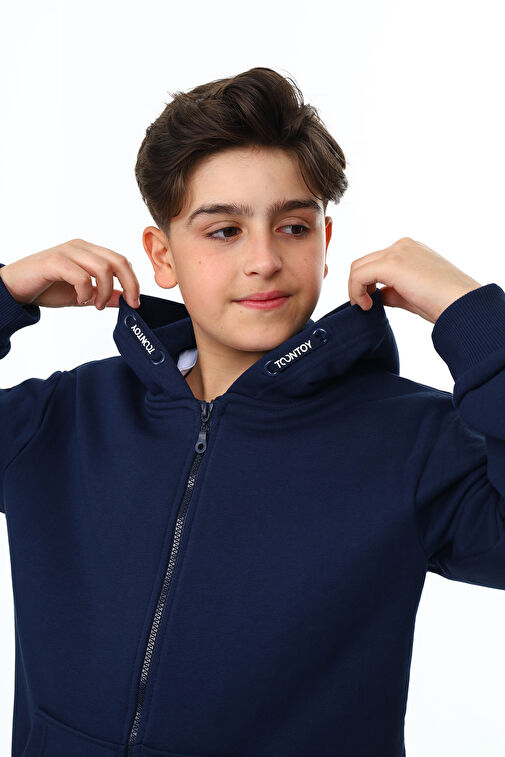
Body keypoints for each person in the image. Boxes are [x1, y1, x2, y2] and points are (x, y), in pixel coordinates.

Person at [0, 66, 503, 757]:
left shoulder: (414, 441)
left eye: (293, 226)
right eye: (223, 231)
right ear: (162, 256)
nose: (264, 260)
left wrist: (473, 317)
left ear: (325, 243)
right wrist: (4, 294)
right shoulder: (65, 418)